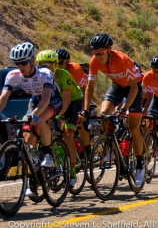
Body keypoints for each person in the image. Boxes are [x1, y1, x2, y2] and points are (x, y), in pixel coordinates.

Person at [78, 33, 146, 186]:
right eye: (94, 53)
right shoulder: (94, 62)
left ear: (109, 50)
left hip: (133, 88)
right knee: (103, 114)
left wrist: (124, 109)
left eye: (100, 53)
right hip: (117, 86)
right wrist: (85, 109)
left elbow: (134, 88)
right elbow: (90, 87)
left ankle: (141, 165)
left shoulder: (122, 60)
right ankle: (111, 143)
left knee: (134, 128)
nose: (97, 56)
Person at [0, 43, 62, 171]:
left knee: (40, 119)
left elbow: (45, 99)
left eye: (23, 63)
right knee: (27, 137)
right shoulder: (13, 76)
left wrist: (34, 114)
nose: (20, 66)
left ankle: (48, 154)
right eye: (17, 63)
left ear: (32, 60)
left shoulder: (44, 74)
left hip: (52, 100)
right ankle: (33, 175)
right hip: (35, 100)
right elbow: (4, 98)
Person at [36, 50, 83, 187]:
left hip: (73, 103)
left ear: (56, 65)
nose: (45, 67)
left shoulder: (63, 75)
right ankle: (54, 159)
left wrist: (57, 116)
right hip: (55, 103)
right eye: (42, 64)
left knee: (68, 135)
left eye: (48, 64)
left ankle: (73, 173)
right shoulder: (41, 77)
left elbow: (67, 100)